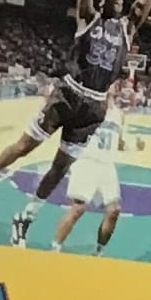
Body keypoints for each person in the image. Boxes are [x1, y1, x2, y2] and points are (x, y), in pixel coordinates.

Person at [0, 0, 151, 245]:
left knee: (60, 168)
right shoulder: (88, 18)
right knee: (25, 145)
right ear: (102, 2)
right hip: (68, 95)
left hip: (94, 108)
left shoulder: (127, 28)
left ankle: (25, 217)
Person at [52, 79, 132, 253]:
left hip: (107, 165)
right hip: (87, 161)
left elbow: (118, 142)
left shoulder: (119, 114)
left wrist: (131, 145)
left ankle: (98, 252)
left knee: (114, 210)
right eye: (110, 82)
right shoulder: (88, 106)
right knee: (78, 209)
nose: (113, 85)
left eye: (115, 83)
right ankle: (55, 249)